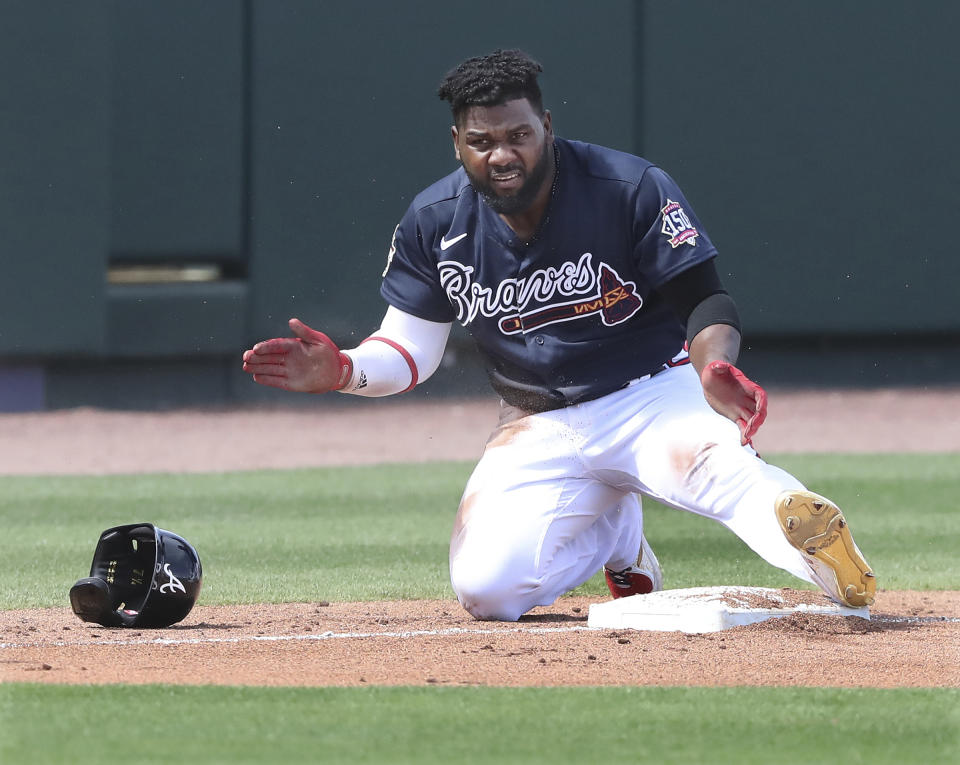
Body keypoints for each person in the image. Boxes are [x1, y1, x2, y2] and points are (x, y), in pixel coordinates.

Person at [241, 49, 876, 621]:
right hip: (538, 422)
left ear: (546, 127)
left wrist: (714, 366)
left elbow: (704, 296)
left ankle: (825, 561)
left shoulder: (627, 187)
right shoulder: (434, 221)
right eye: (481, 140)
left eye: (517, 134)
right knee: (487, 593)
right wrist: (344, 371)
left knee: (719, 470)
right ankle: (620, 537)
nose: (502, 153)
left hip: (652, 393)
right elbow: (410, 348)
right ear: (457, 143)